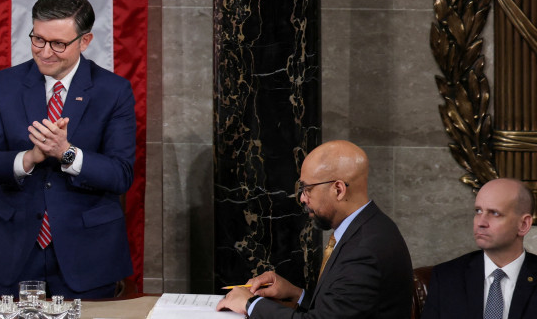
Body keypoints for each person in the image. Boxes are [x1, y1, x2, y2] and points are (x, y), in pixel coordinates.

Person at [0, 0, 137, 298]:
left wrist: (67, 153)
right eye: (38, 39)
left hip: (86, 253)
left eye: (58, 44)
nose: (45, 52)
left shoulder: (113, 91)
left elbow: (120, 175)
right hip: (14, 250)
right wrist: (29, 157)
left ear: (84, 41)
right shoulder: (3, 85)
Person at [215, 139, 413, 318]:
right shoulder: (369, 227)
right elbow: (340, 312)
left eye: (307, 189)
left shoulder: (365, 251)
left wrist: (250, 304)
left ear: (338, 189)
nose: (302, 198)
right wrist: (296, 294)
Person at [421, 178, 537, 319]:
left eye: (494, 213)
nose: (481, 222)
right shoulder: (446, 277)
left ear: (524, 224)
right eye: (478, 211)